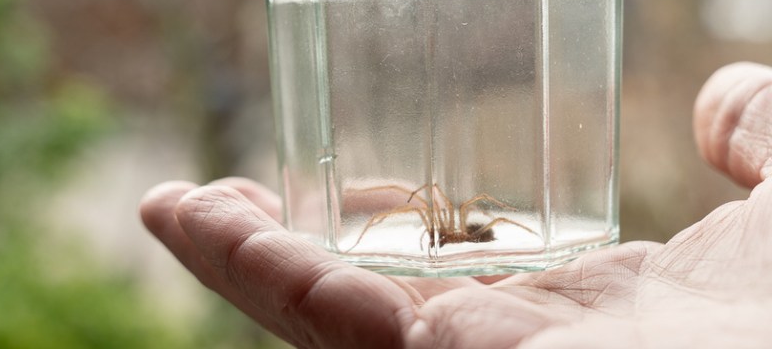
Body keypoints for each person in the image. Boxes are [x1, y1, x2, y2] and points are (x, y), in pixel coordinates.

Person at [141, 62, 772, 348]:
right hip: (464, 238)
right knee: (431, 196)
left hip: (476, 238)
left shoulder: (465, 226)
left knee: (453, 201)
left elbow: (474, 208)